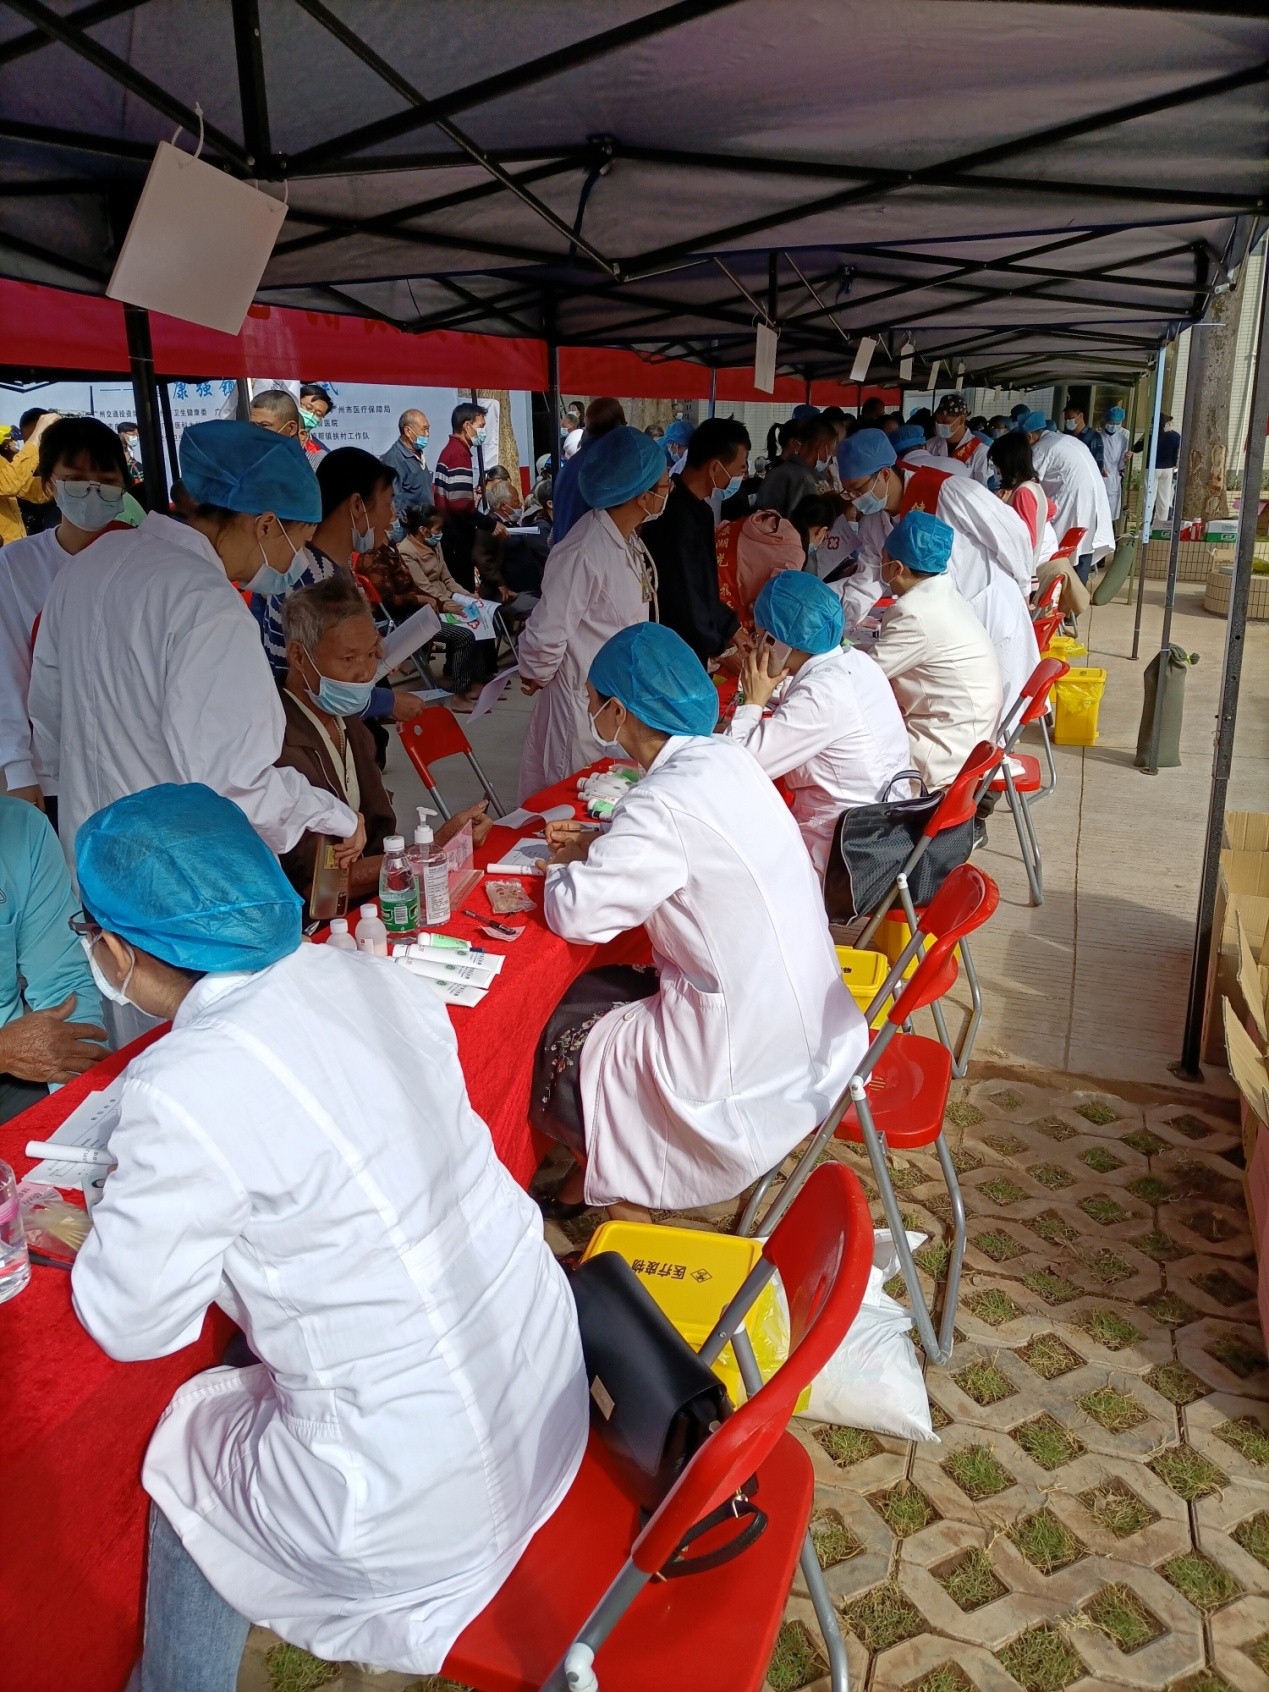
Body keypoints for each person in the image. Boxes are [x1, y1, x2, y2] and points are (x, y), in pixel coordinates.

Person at [69, 782, 586, 1688]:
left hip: (409, 1501)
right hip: (541, 1395)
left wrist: (95, 1226)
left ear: (117, 949)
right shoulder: (370, 977)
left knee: (185, 1462)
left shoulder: (180, 1087)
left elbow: (133, 1323)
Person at [534, 623, 866, 1215]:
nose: (590, 712)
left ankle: (624, 1198)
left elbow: (578, 913)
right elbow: (683, 851)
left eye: (593, 700)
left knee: (562, 1033)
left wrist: (562, 866)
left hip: (744, 1057)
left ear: (618, 710)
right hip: (806, 1019)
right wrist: (598, 844)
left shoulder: (658, 802)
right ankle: (592, 1171)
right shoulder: (726, 758)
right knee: (606, 987)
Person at [29, 419, 364, 875]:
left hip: (88, 857)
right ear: (266, 525)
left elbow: (48, 720)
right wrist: (334, 815)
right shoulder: (208, 603)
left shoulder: (84, 567)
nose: (298, 560)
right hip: (174, 873)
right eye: (301, 541)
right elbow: (235, 782)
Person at [277, 580, 491, 900]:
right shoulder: (275, 743)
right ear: (298, 655)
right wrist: (429, 851)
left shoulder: (347, 720)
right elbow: (318, 883)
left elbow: (376, 838)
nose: (365, 673)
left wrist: (428, 850)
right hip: (317, 917)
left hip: (375, 898)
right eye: (349, 659)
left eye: (370, 654)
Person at [727, 572, 913, 878]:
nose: (757, 644)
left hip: (843, 850)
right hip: (882, 827)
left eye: (761, 636)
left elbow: (738, 766)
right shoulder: (856, 662)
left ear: (778, 642)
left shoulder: (822, 695)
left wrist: (752, 701)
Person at [516, 426, 665, 801]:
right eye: (665, 485)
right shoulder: (584, 550)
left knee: (605, 798)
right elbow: (545, 633)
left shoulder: (625, 540)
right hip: (581, 705)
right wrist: (536, 673)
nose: (669, 492)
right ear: (642, 495)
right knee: (571, 802)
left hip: (614, 701)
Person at [0, 417, 132, 813]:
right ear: (48, 485)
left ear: (124, 486)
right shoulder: (15, 565)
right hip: (55, 771)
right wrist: (17, 769)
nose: (92, 491)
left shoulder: (149, 558)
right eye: (74, 480)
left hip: (137, 764)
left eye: (106, 480)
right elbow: (8, 672)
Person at [836, 428, 1033, 687]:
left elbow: (1012, 533)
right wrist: (840, 625)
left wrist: (1024, 588)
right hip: (942, 623)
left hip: (988, 608)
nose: (855, 500)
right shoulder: (873, 522)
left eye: (857, 490)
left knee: (1003, 692)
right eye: (848, 493)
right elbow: (869, 577)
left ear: (884, 474)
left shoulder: (948, 491)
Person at [254, 447, 425, 729]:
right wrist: (388, 703)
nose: (392, 516)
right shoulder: (311, 580)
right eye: (387, 503)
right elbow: (308, 684)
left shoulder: (333, 567)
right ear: (357, 505)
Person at [871, 511, 1004, 791]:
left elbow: (867, 673)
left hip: (946, 745)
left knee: (849, 752)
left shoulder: (913, 612)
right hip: (969, 730)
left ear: (896, 568)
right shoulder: (942, 595)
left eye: (882, 557)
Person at [0, 794, 105, 1120]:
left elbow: (62, 981)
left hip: (15, 1060)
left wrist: (83, 1109)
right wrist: (4, 1049)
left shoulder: (21, 828)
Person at [642, 415, 750, 663]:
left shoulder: (700, 510)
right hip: (675, 649)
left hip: (692, 643)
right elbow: (685, 599)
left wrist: (731, 627)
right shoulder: (674, 517)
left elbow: (705, 589)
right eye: (738, 469)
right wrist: (719, 648)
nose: (739, 477)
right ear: (715, 468)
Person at [1024, 410, 1115, 583]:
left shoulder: (1042, 448)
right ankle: (1077, 594)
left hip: (1074, 504)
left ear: (1029, 436)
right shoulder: (1066, 440)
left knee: (1067, 554)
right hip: (1089, 502)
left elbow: (1029, 483)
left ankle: (1070, 595)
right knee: (1082, 547)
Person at [715, 506, 804, 635]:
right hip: (717, 601)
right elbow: (763, 604)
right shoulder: (794, 558)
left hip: (703, 558)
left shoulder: (766, 517)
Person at [550, 396, 627, 542]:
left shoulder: (572, 463)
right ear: (618, 426)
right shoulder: (602, 466)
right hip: (588, 549)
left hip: (566, 547)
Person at [987, 429, 1051, 571]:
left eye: (996, 464)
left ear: (1007, 463)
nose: (996, 470)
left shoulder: (1023, 493)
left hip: (1022, 570)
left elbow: (1027, 541)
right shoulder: (1032, 485)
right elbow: (1051, 509)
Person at [754, 416, 835, 518]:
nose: (830, 458)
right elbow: (804, 522)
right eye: (830, 452)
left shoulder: (779, 471)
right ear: (822, 447)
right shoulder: (803, 479)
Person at [0, 406, 56, 544]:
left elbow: (28, 488)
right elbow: (8, 485)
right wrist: (37, 435)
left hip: (13, 548)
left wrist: (62, 480)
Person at [381, 409, 432, 524]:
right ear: (408, 431)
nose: (427, 434)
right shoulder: (394, 460)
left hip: (425, 526)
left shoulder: (418, 453)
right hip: (408, 529)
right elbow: (393, 504)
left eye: (428, 429)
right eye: (424, 429)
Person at [933, 393, 991, 482]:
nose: (940, 425)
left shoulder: (981, 452)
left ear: (962, 420)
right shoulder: (930, 445)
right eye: (938, 421)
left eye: (945, 421)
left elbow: (983, 486)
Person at [1099, 405, 1131, 521]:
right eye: (1111, 423)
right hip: (1099, 475)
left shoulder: (1123, 438)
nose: (1113, 426)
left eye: (1117, 423)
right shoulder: (1098, 436)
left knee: (1111, 512)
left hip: (1114, 476)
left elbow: (1122, 462)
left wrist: (1126, 459)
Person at [1061, 402, 1104, 471]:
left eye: (1070, 418)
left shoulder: (1093, 437)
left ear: (1081, 416)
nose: (1068, 421)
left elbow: (1098, 464)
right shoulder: (1065, 436)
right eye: (1066, 419)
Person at [298, 382, 332, 458]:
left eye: (318, 414)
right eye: (308, 408)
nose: (311, 416)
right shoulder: (274, 432)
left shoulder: (320, 452)